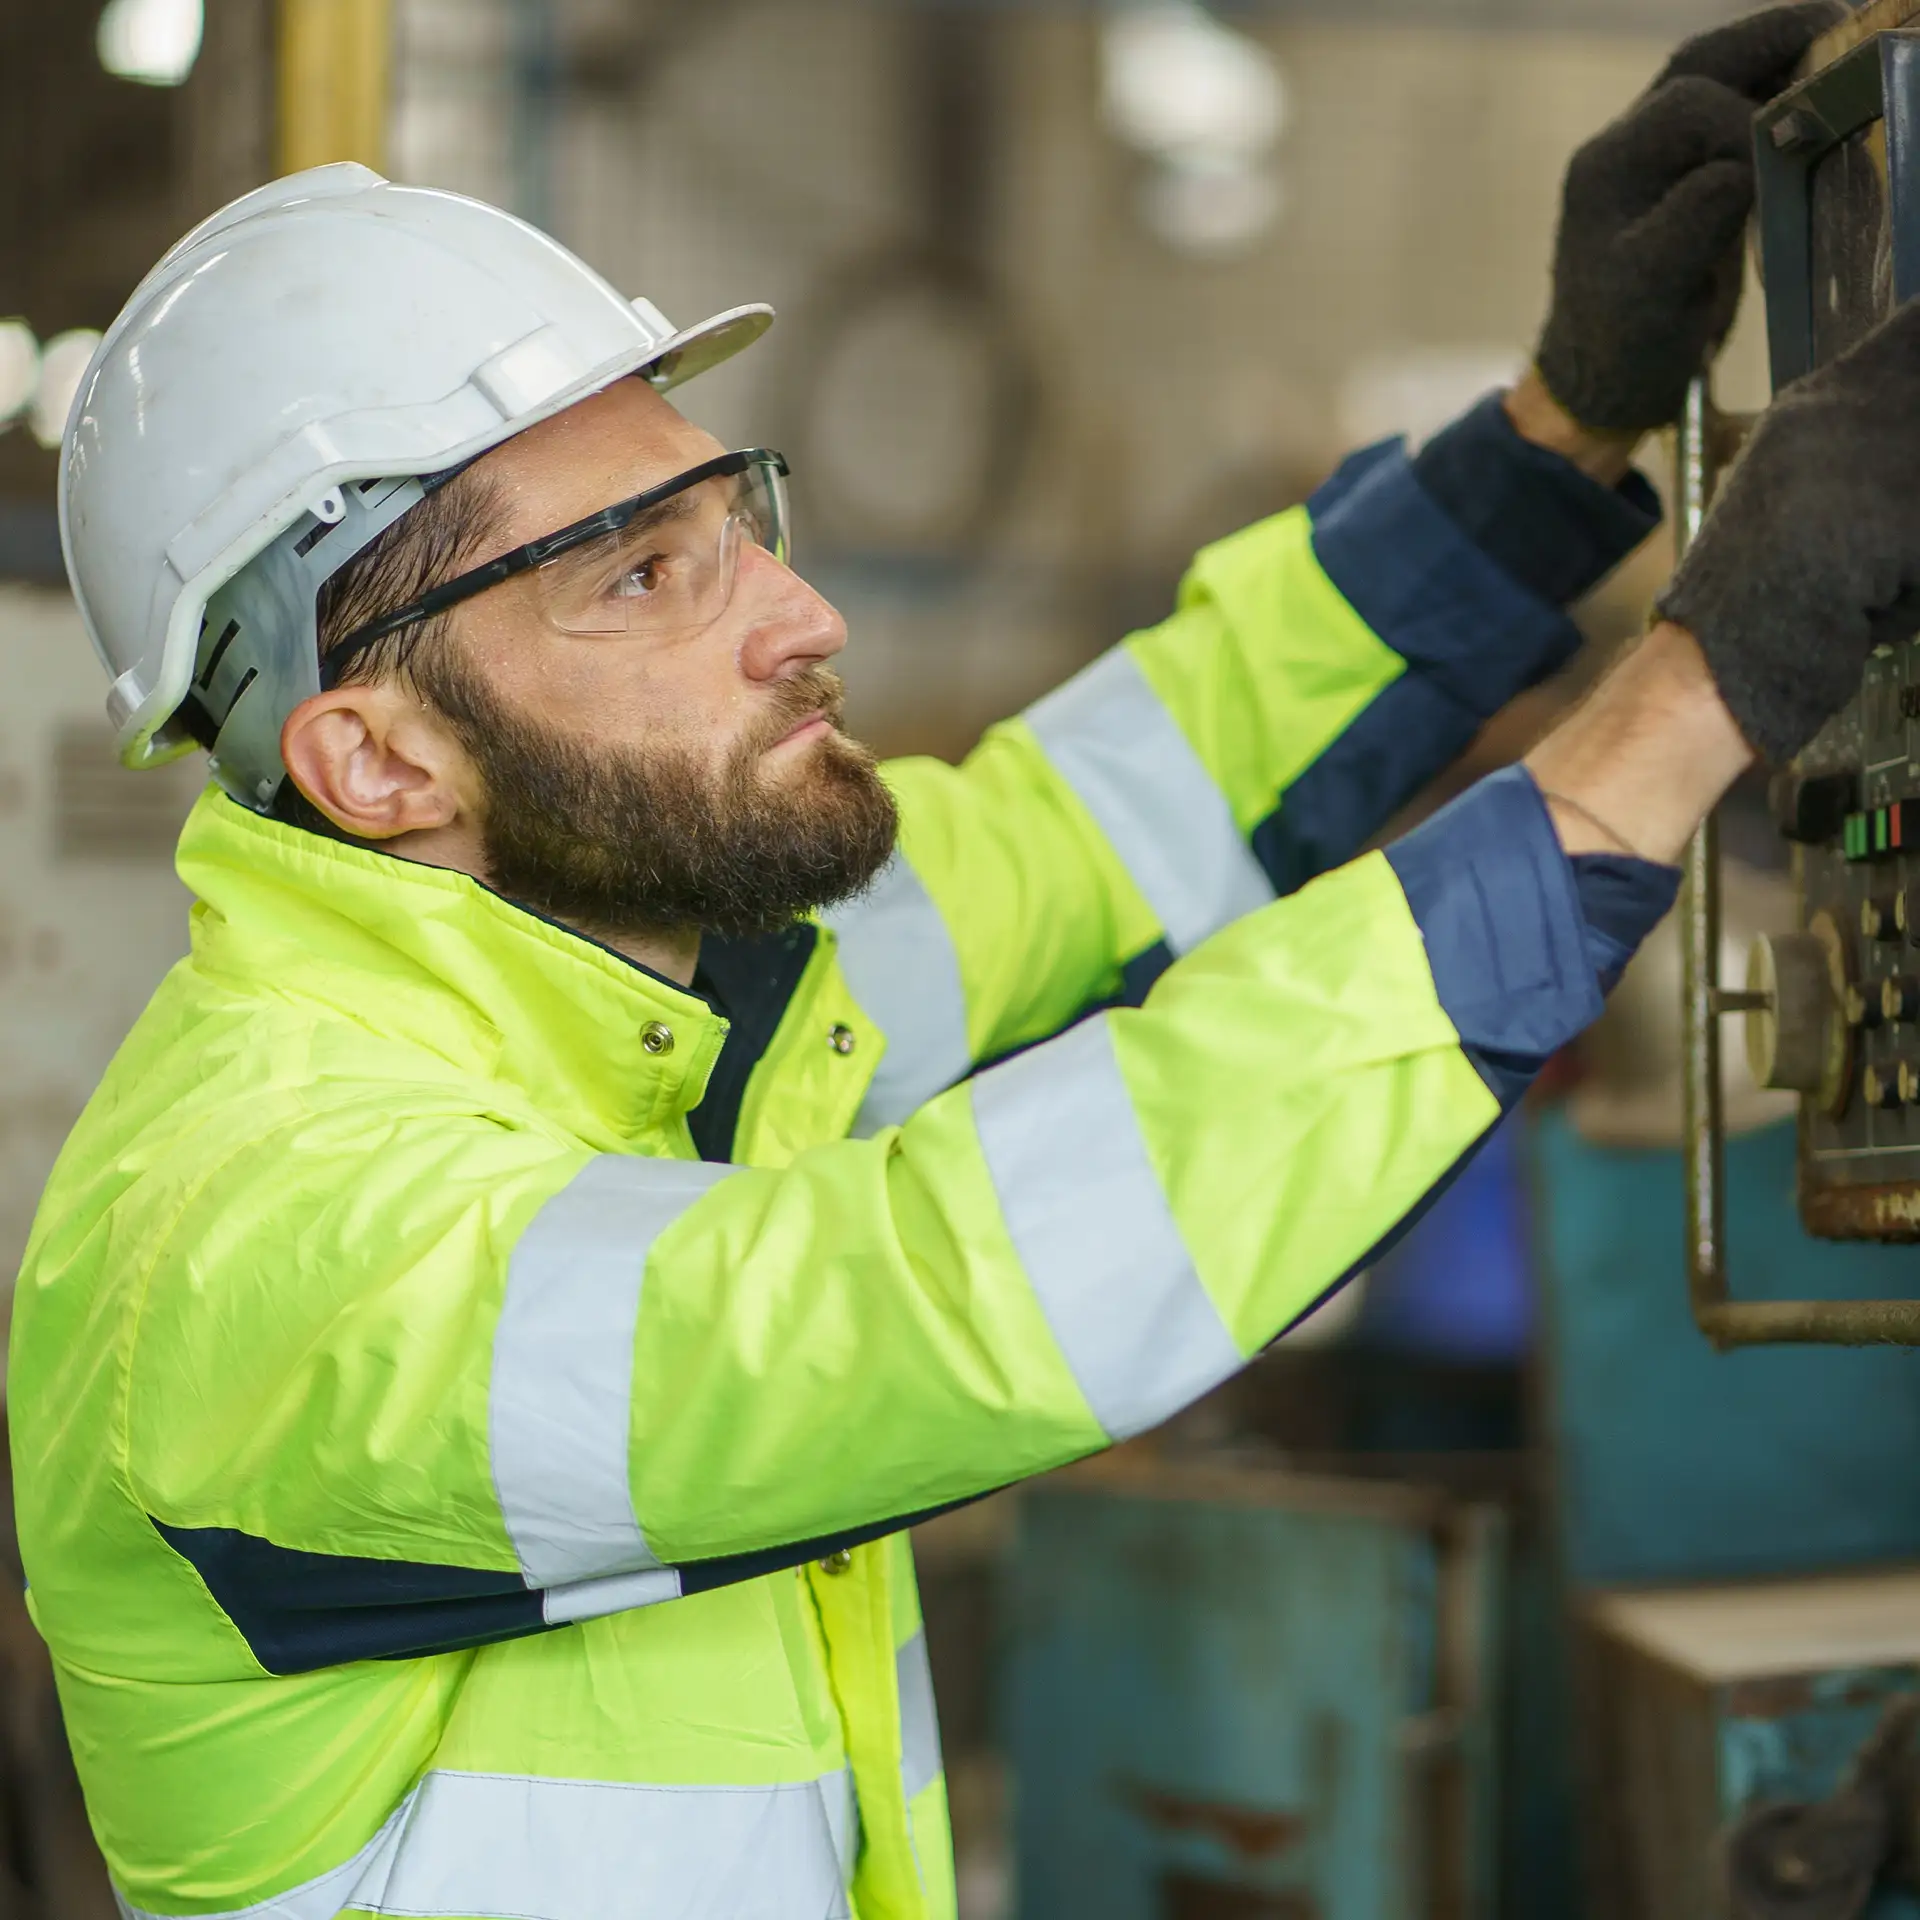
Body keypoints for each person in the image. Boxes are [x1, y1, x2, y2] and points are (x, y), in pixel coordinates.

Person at [15, 5, 1908, 1914]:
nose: (804, 616)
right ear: (375, 759)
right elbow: (931, 1298)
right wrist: (1678, 708)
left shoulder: (671, 1000)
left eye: (730, 521)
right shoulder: (263, 1259)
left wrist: (1554, 430)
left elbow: (1096, 820)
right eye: (641, 575)